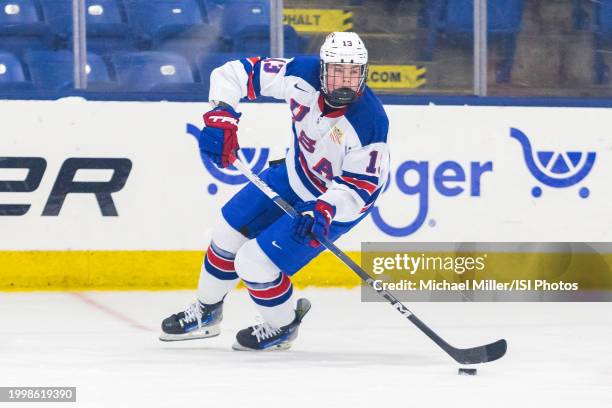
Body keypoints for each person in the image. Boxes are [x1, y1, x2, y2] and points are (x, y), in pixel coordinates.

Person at [160, 32, 390, 351]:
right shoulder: (300, 73)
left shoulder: (370, 122)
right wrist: (220, 117)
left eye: (353, 72)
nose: (345, 82)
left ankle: (282, 327)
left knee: (255, 264)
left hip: (335, 203)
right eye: (337, 71)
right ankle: (206, 313)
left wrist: (324, 209)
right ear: (323, 69)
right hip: (294, 173)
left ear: (364, 73)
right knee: (226, 233)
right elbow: (235, 73)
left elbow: (361, 186)